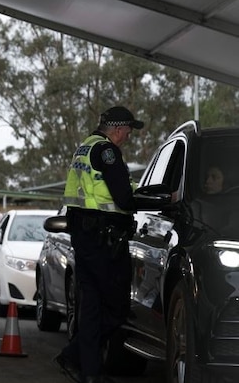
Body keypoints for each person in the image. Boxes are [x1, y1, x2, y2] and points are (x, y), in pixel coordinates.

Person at [54, 105, 143, 383]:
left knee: (91, 306)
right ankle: (74, 354)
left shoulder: (84, 147)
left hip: (85, 237)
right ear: (118, 129)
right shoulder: (107, 152)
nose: (128, 135)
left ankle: (89, 370)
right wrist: (159, 198)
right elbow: (125, 199)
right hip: (105, 241)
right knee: (116, 307)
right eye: (128, 130)